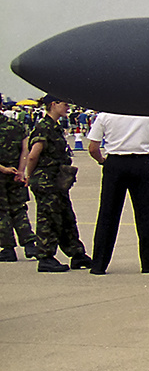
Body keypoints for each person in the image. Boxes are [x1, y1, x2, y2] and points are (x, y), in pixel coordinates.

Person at [86, 112, 149, 274]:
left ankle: (99, 264)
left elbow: (93, 147)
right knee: (146, 214)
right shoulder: (148, 114)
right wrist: (144, 146)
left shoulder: (105, 115)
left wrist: (102, 161)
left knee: (108, 213)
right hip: (141, 161)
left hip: (115, 162)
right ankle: (148, 262)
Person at [16, 95, 90, 273]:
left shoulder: (54, 127)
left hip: (56, 181)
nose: (67, 108)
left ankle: (76, 253)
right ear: (53, 105)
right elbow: (34, 154)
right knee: (48, 218)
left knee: (65, 216)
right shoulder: (44, 127)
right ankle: (45, 257)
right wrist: (29, 175)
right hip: (46, 181)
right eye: (65, 104)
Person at [0, 110, 39, 261]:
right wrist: (21, 170)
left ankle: (8, 248)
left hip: (2, 173)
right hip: (16, 172)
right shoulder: (16, 125)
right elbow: (25, 149)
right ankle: (29, 243)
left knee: (2, 212)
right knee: (18, 208)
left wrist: (3, 169)